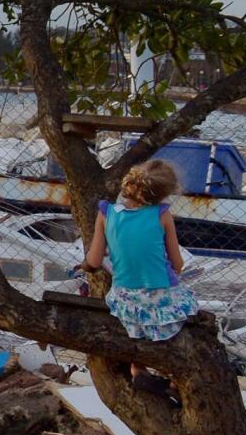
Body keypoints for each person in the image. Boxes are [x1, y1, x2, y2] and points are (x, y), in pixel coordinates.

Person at [82, 159, 198, 399]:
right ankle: (175, 380)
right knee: (178, 311)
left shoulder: (106, 213)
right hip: (161, 295)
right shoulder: (162, 215)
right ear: (164, 193)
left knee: (134, 326)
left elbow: (93, 261)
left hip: (125, 297)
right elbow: (177, 263)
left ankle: (138, 369)